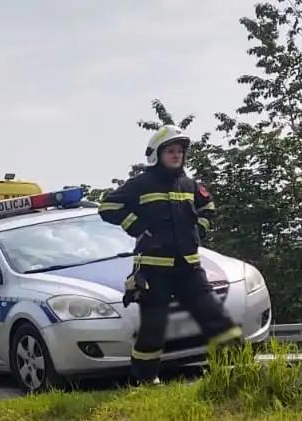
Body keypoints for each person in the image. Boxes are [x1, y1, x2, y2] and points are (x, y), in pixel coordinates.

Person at [97, 126, 244, 384]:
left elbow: (208, 207)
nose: (177, 156)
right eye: (171, 151)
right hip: (154, 270)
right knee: (153, 329)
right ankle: (145, 381)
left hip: (189, 267)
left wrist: (199, 229)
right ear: (157, 154)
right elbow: (107, 206)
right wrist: (137, 226)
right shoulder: (141, 184)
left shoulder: (189, 184)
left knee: (216, 317)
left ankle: (239, 369)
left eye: (180, 151)